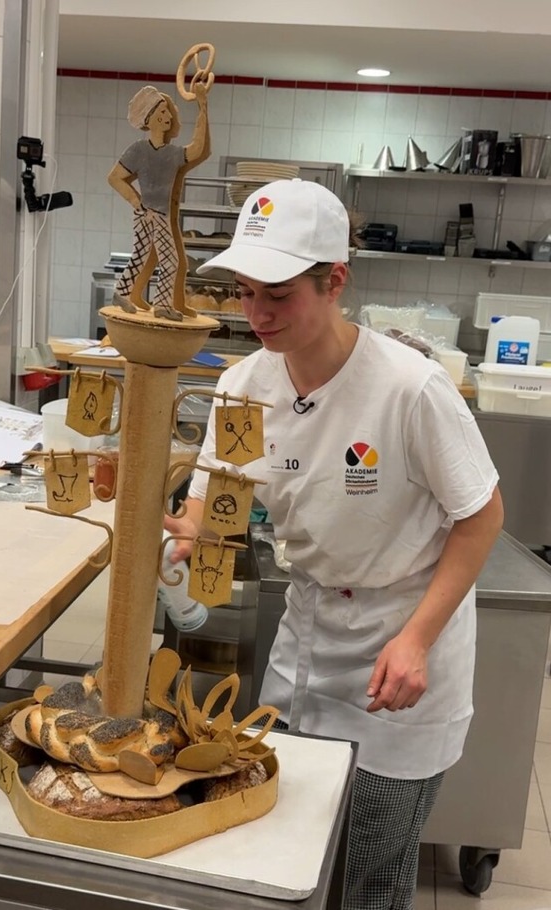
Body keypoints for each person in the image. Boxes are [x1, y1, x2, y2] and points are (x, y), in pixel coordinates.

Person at [165, 178, 504, 910]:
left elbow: (481, 517)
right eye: (244, 293)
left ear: (334, 281)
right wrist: (181, 535)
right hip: (308, 640)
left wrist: (416, 640)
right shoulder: (242, 386)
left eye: (278, 295)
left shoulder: (409, 389)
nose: (256, 314)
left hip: (401, 650)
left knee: (371, 870)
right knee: (296, 850)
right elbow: (217, 505)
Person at [108, 81, 210, 321]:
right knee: (168, 260)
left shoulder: (173, 154)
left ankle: (123, 292)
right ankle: (159, 304)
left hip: (160, 214)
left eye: (167, 111)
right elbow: (114, 178)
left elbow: (197, 148)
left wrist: (203, 107)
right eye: (162, 112)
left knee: (144, 256)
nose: (168, 117)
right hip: (148, 213)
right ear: (150, 119)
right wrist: (137, 202)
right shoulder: (138, 150)